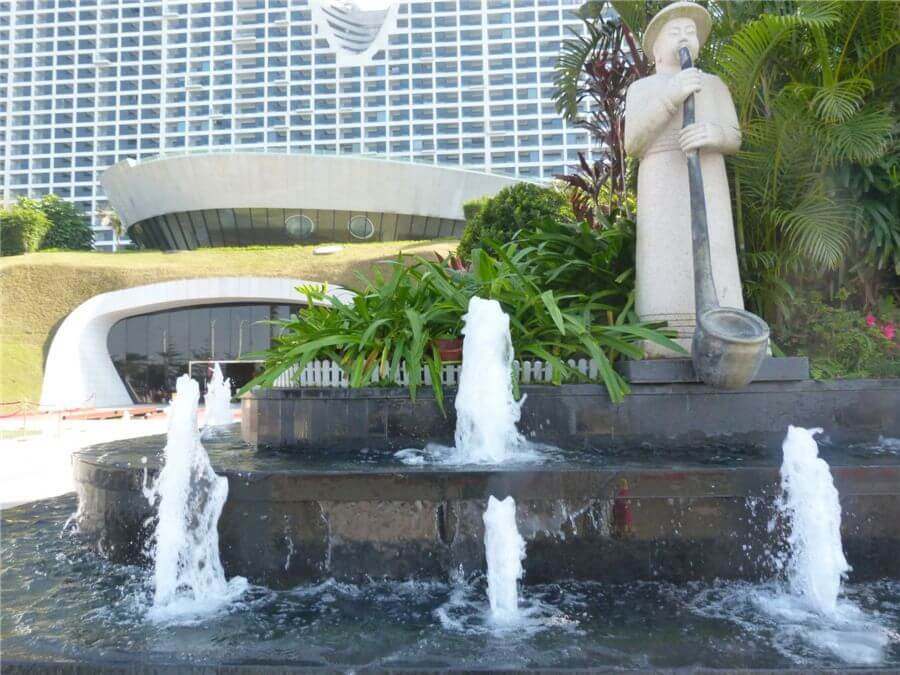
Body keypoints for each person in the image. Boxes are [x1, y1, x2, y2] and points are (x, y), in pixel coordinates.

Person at [625, 1, 744, 355]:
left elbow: (734, 135)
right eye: (675, 32)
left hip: (709, 177)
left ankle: (726, 329)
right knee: (663, 255)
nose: (684, 37)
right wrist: (671, 95)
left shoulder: (714, 85)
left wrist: (713, 134)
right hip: (660, 181)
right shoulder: (642, 89)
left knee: (716, 252)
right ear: (656, 49)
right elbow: (633, 143)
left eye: (690, 32)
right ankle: (663, 332)